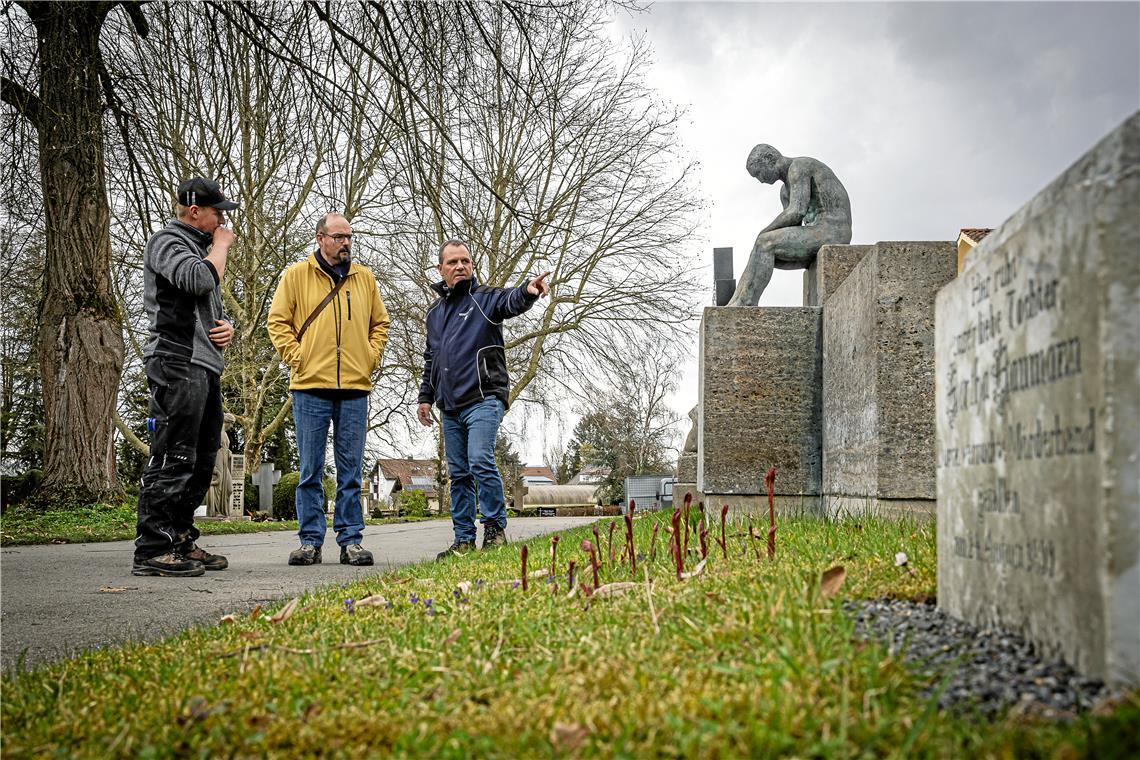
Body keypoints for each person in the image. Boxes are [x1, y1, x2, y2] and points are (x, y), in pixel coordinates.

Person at [268, 213, 390, 566]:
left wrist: (369, 357)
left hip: (354, 386)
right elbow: (277, 322)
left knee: (350, 471)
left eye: (349, 237)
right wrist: (298, 357)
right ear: (320, 238)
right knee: (310, 470)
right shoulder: (296, 276)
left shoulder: (364, 278)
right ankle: (310, 541)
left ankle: (351, 540)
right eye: (339, 237)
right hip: (309, 387)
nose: (346, 243)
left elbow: (380, 323)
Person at [417, 240, 550, 559]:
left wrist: (529, 291)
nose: (460, 266)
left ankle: (494, 529)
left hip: (484, 397)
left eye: (465, 261)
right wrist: (426, 397)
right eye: (452, 262)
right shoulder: (434, 314)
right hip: (449, 406)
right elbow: (431, 357)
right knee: (459, 473)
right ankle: (463, 539)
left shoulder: (485, 299)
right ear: (441, 269)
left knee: (479, 459)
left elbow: (510, 301)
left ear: (472, 266)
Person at [133, 178, 238, 577]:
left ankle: (180, 539)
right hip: (175, 361)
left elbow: (205, 302)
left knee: (202, 458)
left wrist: (226, 327)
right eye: (218, 213)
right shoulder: (167, 242)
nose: (222, 221)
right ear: (195, 211)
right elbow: (197, 279)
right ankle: (153, 548)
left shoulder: (201, 251)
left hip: (205, 365)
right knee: (174, 453)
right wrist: (222, 245)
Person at [726, 144, 852, 306]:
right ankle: (737, 299)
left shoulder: (799, 167)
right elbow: (792, 227)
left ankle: (747, 301)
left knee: (765, 243)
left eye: (759, 173)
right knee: (761, 248)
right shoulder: (785, 192)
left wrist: (763, 233)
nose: (761, 180)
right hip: (814, 231)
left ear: (770, 159)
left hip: (832, 229)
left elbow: (796, 212)